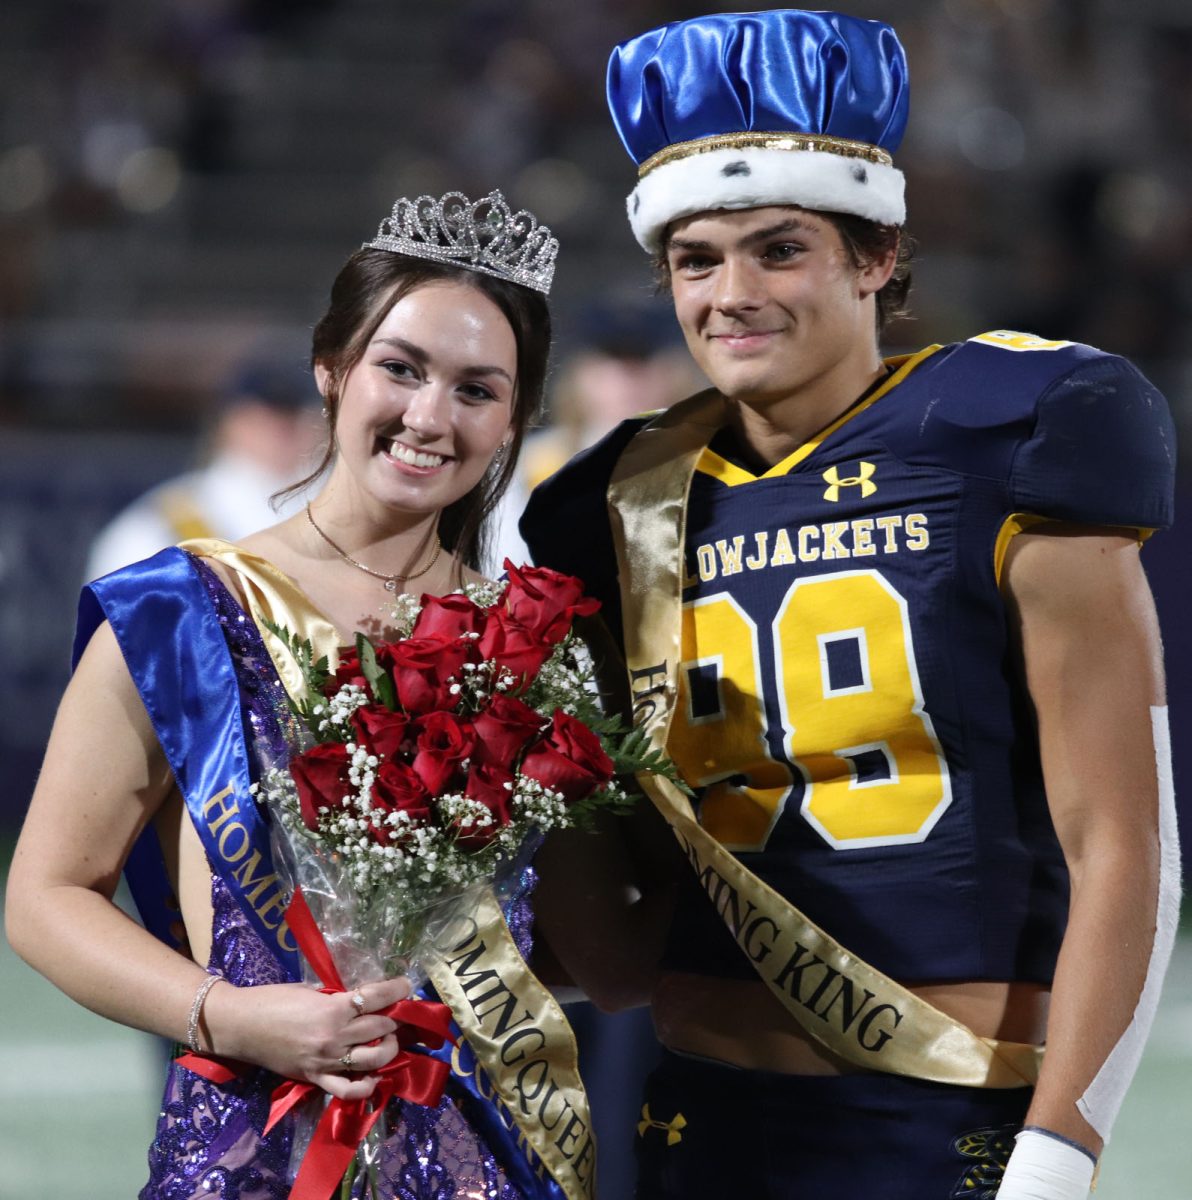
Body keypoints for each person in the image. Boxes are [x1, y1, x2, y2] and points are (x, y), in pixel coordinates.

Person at [521, 11, 1180, 1200]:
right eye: (696, 259)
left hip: (939, 1114)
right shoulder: (610, 503)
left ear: (875, 257)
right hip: (698, 1115)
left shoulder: (1013, 428)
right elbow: (614, 950)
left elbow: (1123, 845)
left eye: (780, 249)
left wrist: (1062, 1144)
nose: (732, 293)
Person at [6, 189, 572, 1199]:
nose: (430, 415)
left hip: (488, 1143)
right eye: (400, 369)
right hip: (253, 1138)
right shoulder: (184, 609)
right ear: (331, 370)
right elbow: (46, 898)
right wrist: (237, 1014)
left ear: (516, 420)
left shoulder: (531, 640)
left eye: (477, 389)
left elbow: (569, 929)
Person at [85, 340, 324, 580]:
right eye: (270, 416)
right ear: (230, 421)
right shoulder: (164, 523)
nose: (283, 429)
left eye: (296, 415)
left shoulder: (335, 505)